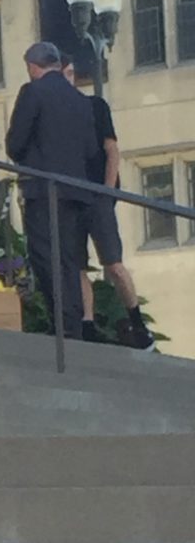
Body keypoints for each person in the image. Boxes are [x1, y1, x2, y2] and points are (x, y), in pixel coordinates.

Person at [6, 42, 103, 339]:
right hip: (75, 190)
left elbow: (15, 143)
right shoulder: (80, 99)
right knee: (70, 258)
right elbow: (90, 149)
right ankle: (72, 323)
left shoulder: (32, 92)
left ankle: (61, 323)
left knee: (45, 255)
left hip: (42, 188)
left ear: (33, 67)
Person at [64, 55, 154, 349]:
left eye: (67, 73)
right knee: (77, 264)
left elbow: (112, 149)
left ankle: (137, 320)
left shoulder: (94, 106)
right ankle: (88, 323)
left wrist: (108, 190)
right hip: (70, 196)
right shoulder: (54, 112)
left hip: (97, 195)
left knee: (114, 263)